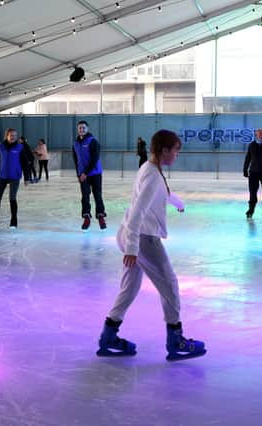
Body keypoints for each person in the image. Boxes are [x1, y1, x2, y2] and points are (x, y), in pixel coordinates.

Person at [96, 129, 206, 362]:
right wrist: (132, 249)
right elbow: (137, 212)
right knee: (170, 286)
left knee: (129, 289)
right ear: (164, 150)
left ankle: (108, 337)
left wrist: (178, 202)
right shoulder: (153, 175)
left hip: (131, 235)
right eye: (175, 150)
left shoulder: (149, 168)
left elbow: (162, 192)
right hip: (143, 239)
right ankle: (176, 340)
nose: (176, 155)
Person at [0, 128, 28, 230]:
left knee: (12, 198)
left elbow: (25, 163)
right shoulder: (1, 147)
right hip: (2, 176)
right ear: (7, 136)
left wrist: (27, 177)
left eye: (15, 135)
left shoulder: (20, 147)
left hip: (15, 176)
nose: (13, 137)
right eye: (11, 135)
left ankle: (13, 221)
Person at [72, 120, 106, 231]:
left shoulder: (93, 141)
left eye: (83, 128)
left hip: (95, 173)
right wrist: (79, 174)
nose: (81, 129)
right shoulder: (75, 144)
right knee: (85, 196)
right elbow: (76, 160)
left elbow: (95, 159)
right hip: (82, 175)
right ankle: (86, 217)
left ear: (87, 129)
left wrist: (86, 173)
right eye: (80, 128)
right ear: (78, 130)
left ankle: (101, 216)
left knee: (97, 195)